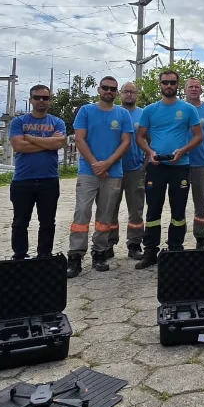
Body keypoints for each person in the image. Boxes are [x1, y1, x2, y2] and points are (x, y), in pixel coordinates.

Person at [134, 70, 203, 269]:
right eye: (165, 82)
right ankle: (150, 251)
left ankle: (175, 248)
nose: (169, 86)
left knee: (178, 210)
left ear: (178, 85)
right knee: (153, 210)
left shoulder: (189, 109)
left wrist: (182, 151)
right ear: (160, 84)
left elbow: (198, 136)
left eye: (172, 82)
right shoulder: (150, 110)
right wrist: (150, 152)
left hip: (180, 167)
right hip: (156, 167)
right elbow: (140, 137)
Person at [66, 76, 133, 278]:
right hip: (88, 171)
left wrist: (107, 163)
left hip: (113, 172)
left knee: (105, 216)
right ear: (98, 89)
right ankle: (75, 255)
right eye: (105, 88)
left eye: (113, 88)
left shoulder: (122, 114)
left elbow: (125, 142)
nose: (109, 91)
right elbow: (79, 139)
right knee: (82, 212)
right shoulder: (86, 111)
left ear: (116, 91)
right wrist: (96, 164)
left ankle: (100, 252)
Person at [8, 84, 67, 260]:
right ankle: (19, 256)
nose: (41, 101)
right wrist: (47, 143)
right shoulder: (19, 122)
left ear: (50, 100)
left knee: (47, 222)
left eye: (45, 98)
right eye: (37, 97)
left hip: (49, 180)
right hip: (22, 180)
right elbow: (18, 146)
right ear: (31, 100)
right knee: (20, 222)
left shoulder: (57, 122)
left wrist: (31, 138)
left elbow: (58, 144)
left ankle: (44, 255)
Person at [108, 81, 146, 260]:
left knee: (136, 209)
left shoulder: (143, 114)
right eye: (126, 92)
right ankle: (108, 243)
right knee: (110, 209)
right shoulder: (112, 112)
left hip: (135, 169)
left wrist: (145, 163)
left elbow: (150, 140)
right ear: (120, 94)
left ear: (137, 95)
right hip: (113, 170)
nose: (129, 95)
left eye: (132, 92)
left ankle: (134, 244)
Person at [185, 77, 204, 248]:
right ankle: (177, 237)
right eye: (191, 87)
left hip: (202, 162)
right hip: (180, 163)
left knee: (201, 203)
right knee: (178, 203)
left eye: (197, 86)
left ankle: (201, 236)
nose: (194, 89)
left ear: (202, 90)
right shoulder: (179, 109)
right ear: (185, 90)